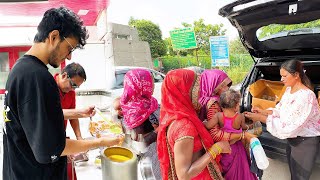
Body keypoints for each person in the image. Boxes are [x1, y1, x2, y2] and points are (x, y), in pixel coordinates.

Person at [2, 7, 123, 180]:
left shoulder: (20, 70)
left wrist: (79, 114)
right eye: (69, 48)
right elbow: (51, 149)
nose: (70, 56)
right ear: (53, 37)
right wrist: (104, 141)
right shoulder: (38, 77)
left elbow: (35, 120)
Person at [244, 59, 320, 180]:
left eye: (284, 76)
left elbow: (289, 127)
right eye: (281, 76)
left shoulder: (306, 96)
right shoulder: (289, 90)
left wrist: (261, 118)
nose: (281, 79)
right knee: (294, 172)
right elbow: (280, 109)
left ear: (296, 75)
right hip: (294, 139)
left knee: (300, 176)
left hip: (305, 142)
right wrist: (263, 111)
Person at [157, 69, 231, 180]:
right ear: (183, 92)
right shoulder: (184, 126)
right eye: (196, 89)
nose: (200, 93)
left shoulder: (174, 115)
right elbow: (184, 174)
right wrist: (217, 149)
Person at [204, 89, 257, 180]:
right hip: (237, 147)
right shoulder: (240, 117)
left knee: (226, 168)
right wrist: (250, 126)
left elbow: (208, 126)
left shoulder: (218, 116)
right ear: (236, 107)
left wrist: (204, 122)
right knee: (241, 168)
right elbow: (244, 127)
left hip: (225, 147)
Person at [119, 69, 161, 179]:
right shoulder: (129, 111)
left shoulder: (152, 103)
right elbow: (136, 145)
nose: (153, 86)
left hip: (159, 159)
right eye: (149, 83)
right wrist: (157, 131)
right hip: (150, 164)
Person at [197, 69, 254, 145]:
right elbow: (215, 134)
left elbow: (209, 125)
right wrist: (242, 134)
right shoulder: (214, 104)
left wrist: (203, 123)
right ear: (214, 85)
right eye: (224, 85)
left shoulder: (206, 100)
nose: (227, 88)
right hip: (225, 145)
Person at [54, 62, 88, 180]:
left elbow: (73, 115)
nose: (73, 89)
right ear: (64, 76)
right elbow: (49, 114)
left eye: (76, 87)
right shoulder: (47, 86)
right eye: (72, 84)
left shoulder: (71, 93)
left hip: (60, 136)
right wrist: (81, 112)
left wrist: (79, 137)